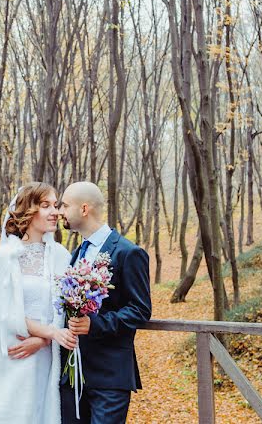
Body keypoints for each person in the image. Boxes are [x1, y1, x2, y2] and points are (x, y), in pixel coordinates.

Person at [0, 182, 77, 423]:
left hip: (49, 359)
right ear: (28, 210)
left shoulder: (62, 257)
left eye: (56, 205)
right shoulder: (3, 258)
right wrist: (49, 333)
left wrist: (45, 339)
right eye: (46, 205)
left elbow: (69, 311)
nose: (55, 211)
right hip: (14, 356)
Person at [58, 181, 153, 423]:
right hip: (74, 374)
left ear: (84, 209)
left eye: (65, 205)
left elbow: (140, 310)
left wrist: (95, 324)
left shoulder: (128, 253)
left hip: (110, 376)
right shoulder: (76, 254)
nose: (60, 211)